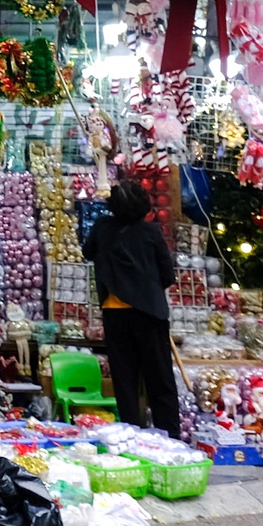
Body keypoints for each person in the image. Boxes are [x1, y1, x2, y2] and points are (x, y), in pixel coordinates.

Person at [87, 174, 180, 436]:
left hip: (115, 316)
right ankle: (171, 437)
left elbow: (88, 251)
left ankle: (130, 436)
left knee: (125, 381)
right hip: (150, 314)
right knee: (159, 379)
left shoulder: (103, 228)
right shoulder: (151, 232)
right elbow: (167, 276)